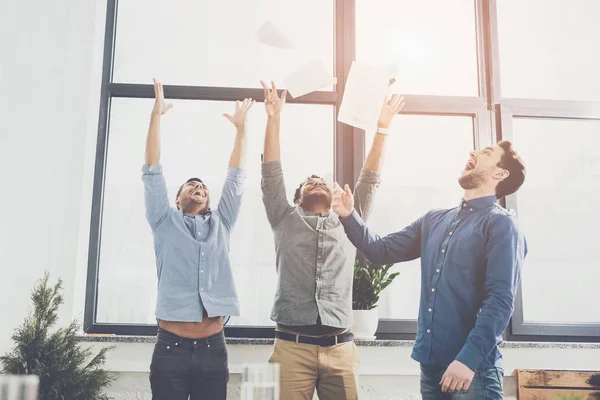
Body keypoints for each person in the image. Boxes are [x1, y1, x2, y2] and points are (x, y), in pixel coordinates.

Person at [332, 141, 527, 399]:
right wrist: (349, 215)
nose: (473, 153)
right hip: (431, 368)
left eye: (486, 153)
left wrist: (468, 360)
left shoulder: (502, 224)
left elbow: (500, 301)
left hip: (474, 371)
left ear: (500, 174)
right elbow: (381, 251)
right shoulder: (434, 219)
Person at [260, 80, 405, 400]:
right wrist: (273, 119)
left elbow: (370, 179)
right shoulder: (284, 218)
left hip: (340, 349)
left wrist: (382, 128)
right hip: (291, 350)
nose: (316, 182)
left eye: (322, 181)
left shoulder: (349, 220)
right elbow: (271, 173)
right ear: (297, 199)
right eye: (309, 182)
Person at [142, 78, 254, 400]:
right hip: (170, 348)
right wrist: (156, 117)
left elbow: (235, 177)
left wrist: (241, 130)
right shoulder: (163, 220)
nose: (199, 187)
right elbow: (152, 170)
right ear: (177, 199)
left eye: (203, 186)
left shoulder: (223, 221)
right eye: (190, 185)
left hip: (213, 349)